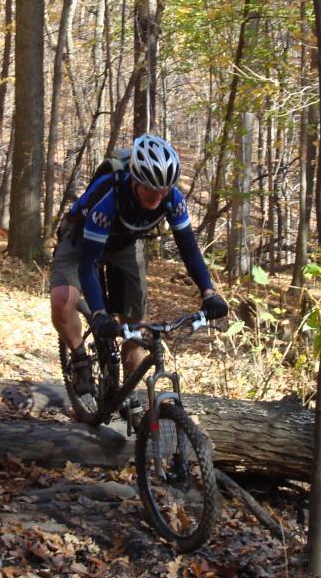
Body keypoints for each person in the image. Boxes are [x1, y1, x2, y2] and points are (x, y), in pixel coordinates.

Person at [50, 134, 228, 395]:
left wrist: (209, 292)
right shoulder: (108, 200)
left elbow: (189, 249)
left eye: (164, 189)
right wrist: (99, 313)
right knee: (63, 299)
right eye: (151, 189)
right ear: (135, 179)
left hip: (125, 243)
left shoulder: (172, 199)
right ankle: (79, 359)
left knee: (136, 330)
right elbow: (88, 263)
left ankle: (133, 404)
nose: (158, 196)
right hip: (82, 239)